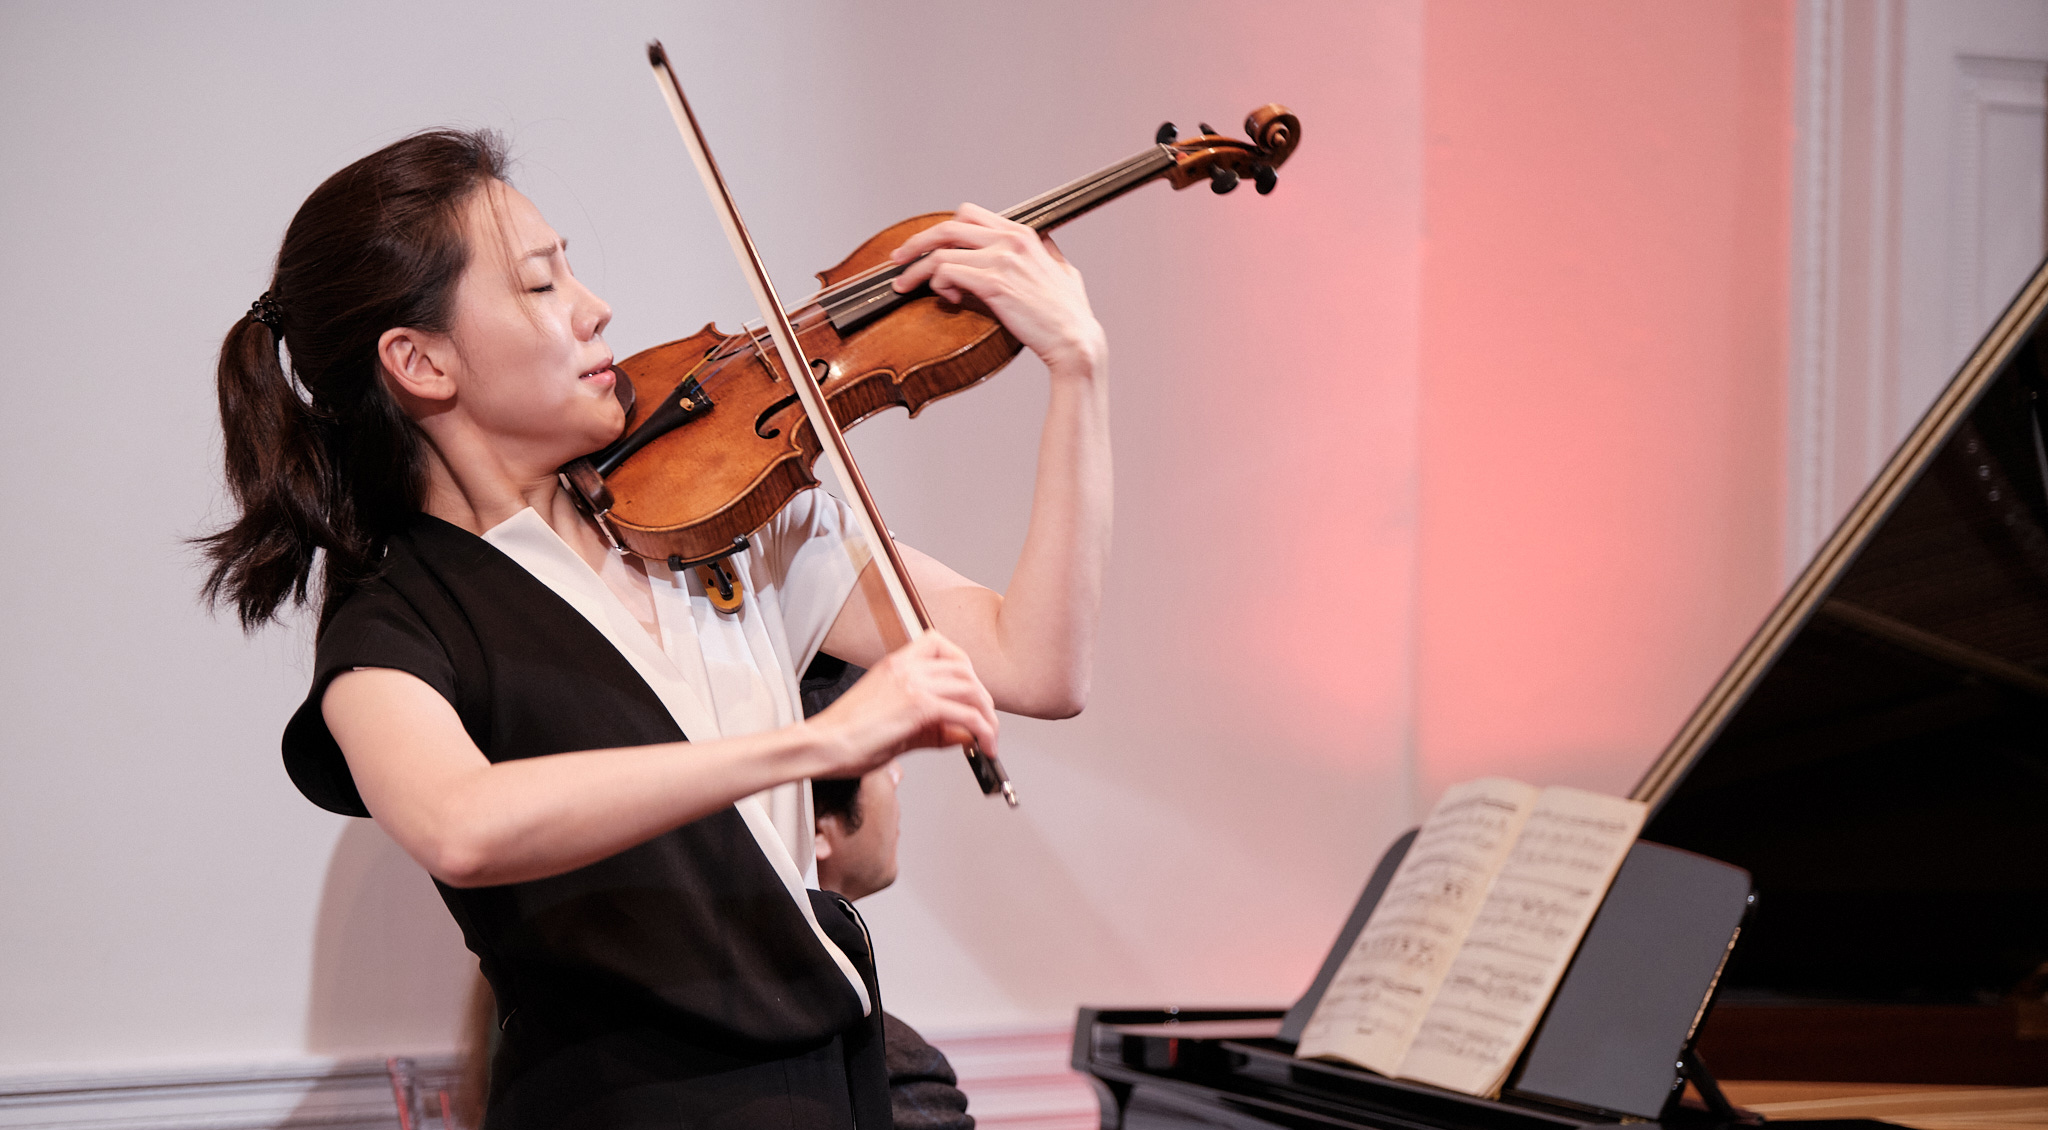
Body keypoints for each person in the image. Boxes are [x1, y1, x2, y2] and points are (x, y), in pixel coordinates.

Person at [200, 129, 1110, 1130]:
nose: (596, 308)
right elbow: (460, 823)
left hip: (830, 1091)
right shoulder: (396, 619)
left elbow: (1035, 662)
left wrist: (1078, 373)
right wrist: (816, 741)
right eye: (541, 287)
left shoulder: (727, 508)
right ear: (420, 362)